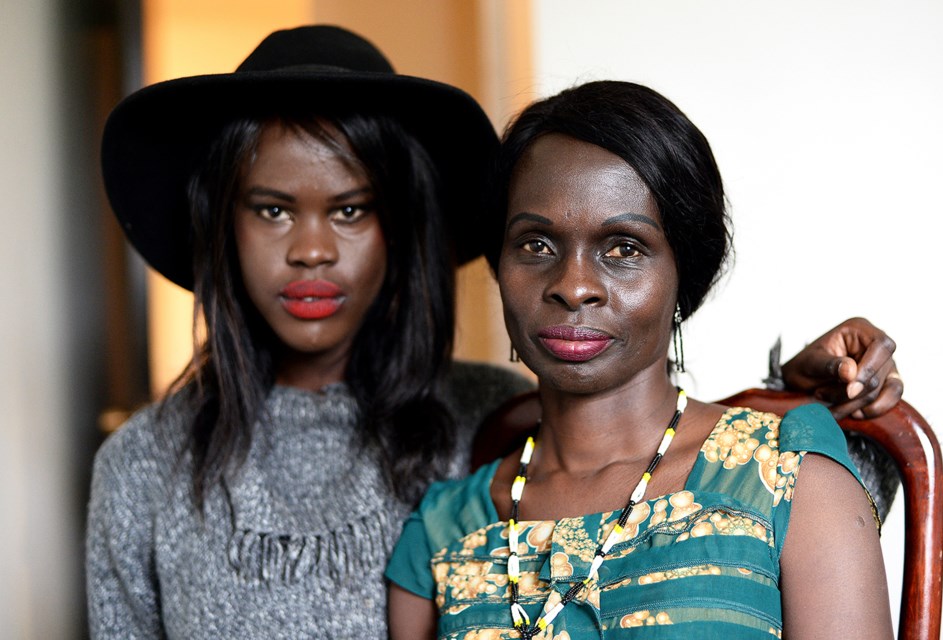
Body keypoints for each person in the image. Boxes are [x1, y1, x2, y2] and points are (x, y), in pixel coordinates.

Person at [87, 26, 899, 640]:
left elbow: (660, 460)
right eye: (271, 208)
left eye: (352, 209)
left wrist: (804, 395)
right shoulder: (145, 468)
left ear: (406, 231)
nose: (310, 249)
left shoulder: (486, 410)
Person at [386, 81, 894, 639]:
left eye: (624, 248)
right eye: (536, 244)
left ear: (684, 276)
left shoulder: (786, 476)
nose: (573, 286)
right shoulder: (443, 531)